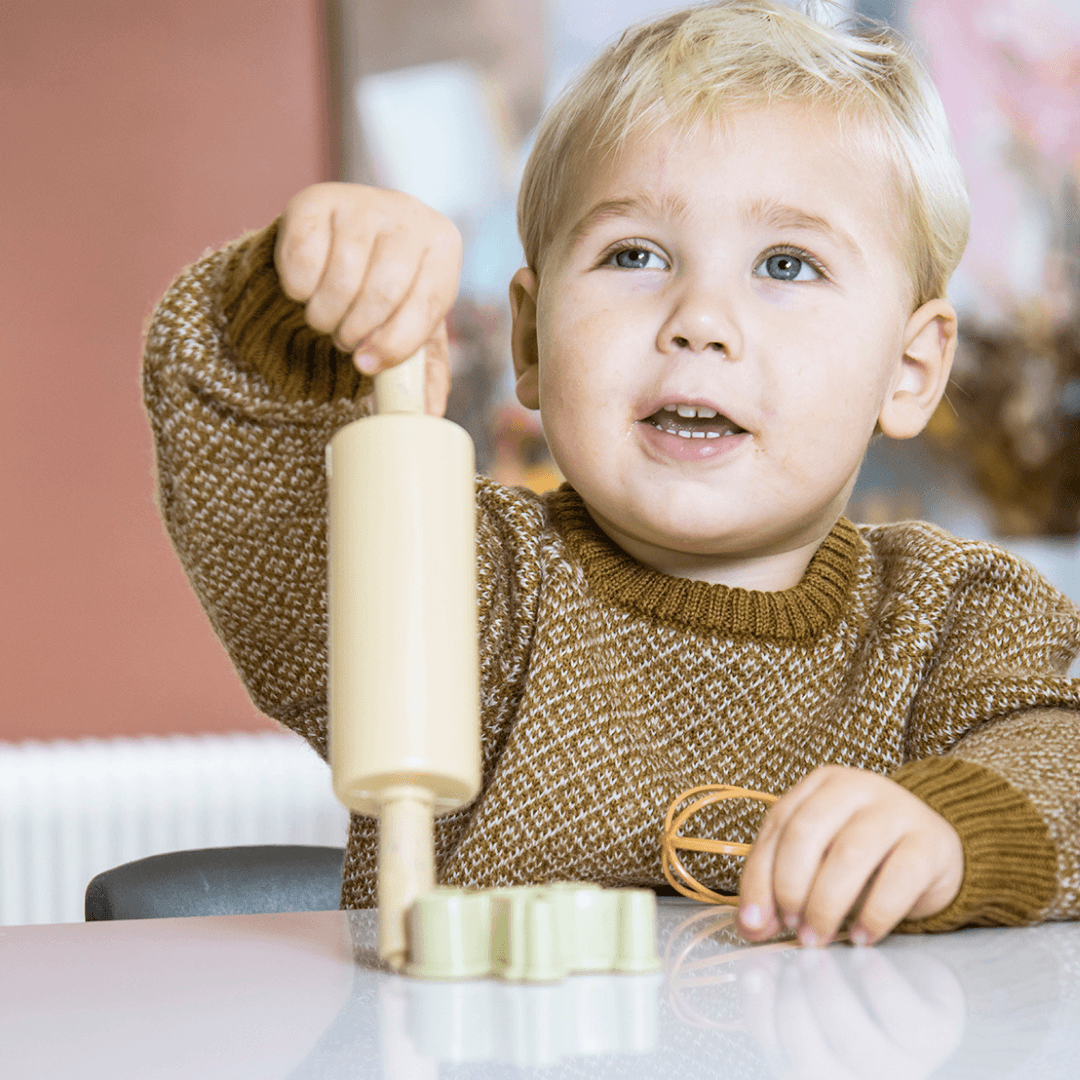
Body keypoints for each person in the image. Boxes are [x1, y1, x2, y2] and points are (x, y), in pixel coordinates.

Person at [142, 0, 1080, 948]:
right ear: (531, 338)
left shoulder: (958, 619)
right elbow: (262, 508)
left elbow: (1063, 766)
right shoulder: (462, 584)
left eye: (787, 265)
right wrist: (299, 311)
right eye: (634, 255)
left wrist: (955, 832)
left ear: (910, 370)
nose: (700, 317)